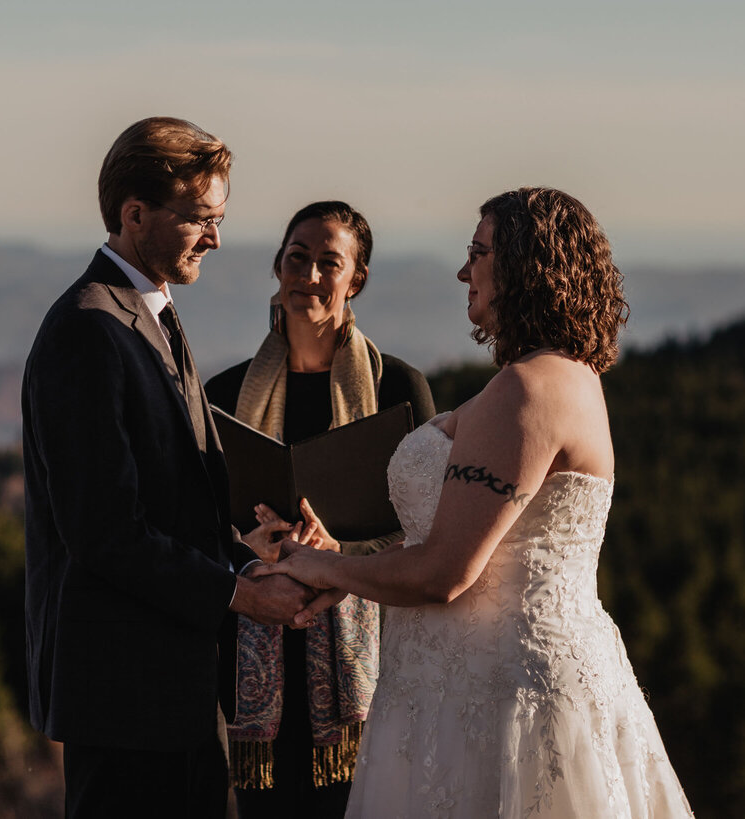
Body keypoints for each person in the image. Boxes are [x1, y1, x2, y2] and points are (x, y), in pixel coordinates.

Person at [257, 187, 694, 818]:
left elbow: (443, 573)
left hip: (496, 698)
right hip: (471, 679)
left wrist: (321, 567)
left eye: (478, 252)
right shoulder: (563, 376)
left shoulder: (527, 389)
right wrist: (352, 573)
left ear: (523, 265)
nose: (465, 271)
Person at [21, 117, 321, 819]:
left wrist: (255, 558)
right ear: (134, 214)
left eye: (218, 218)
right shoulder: (86, 331)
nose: (216, 237)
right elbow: (104, 534)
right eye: (199, 219)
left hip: (175, 688)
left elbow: (175, 502)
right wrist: (241, 595)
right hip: (124, 697)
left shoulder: (151, 311)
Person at [204, 201, 436, 819]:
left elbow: (428, 526)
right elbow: (197, 525)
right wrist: (250, 550)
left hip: (365, 646)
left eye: (328, 262)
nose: (307, 274)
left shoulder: (398, 391)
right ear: (278, 266)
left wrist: (338, 556)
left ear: (355, 279)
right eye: (296, 257)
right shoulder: (223, 396)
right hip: (257, 637)